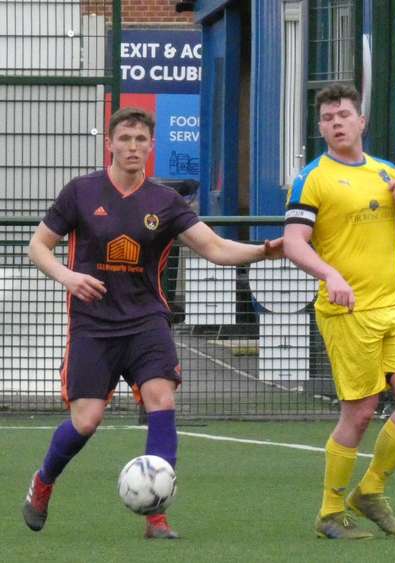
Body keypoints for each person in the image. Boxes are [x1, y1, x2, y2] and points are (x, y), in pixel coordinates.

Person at [22, 107, 283, 538]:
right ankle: (44, 482)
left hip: (146, 322)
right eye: (124, 139)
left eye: (141, 140)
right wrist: (68, 277)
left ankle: (157, 518)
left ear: (150, 146)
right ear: (110, 143)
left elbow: (214, 248)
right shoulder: (81, 192)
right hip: (93, 326)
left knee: (161, 402)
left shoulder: (165, 202)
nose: (132, 147)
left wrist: (263, 251)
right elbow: (38, 246)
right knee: (86, 421)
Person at [283, 84, 395, 539]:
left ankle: (369, 491)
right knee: (362, 411)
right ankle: (329, 513)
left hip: (392, 307)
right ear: (321, 127)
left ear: (362, 121)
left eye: (344, 114)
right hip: (345, 311)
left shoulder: (387, 173)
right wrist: (331, 275)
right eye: (328, 118)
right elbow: (293, 242)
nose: (336, 123)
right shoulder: (313, 178)